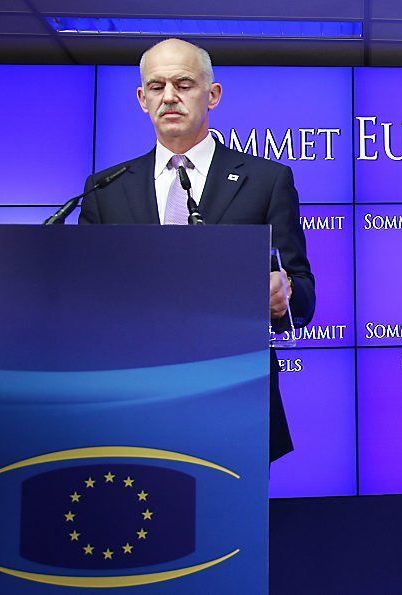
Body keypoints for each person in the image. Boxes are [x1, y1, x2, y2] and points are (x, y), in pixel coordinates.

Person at [79, 38, 314, 463]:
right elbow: (86, 298)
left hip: (234, 394)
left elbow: (301, 288)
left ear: (213, 94)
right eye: (156, 86)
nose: (169, 96)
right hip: (130, 397)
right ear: (141, 99)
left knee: (230, 528)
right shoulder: (105, 189)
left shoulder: (267, 180)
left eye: (183, 83)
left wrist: (285, 296)